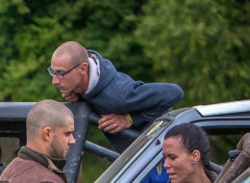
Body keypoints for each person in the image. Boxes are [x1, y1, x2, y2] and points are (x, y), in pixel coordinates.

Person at [49, 41, 184, 153]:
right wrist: (79, 97)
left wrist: (130, 119)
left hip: (166, 147)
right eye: (53, 72)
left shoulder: (119, 94)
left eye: (61, 73)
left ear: (83, 69)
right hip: (140, 154)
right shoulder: (85, 83)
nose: (54, 81)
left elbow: (174, 92)